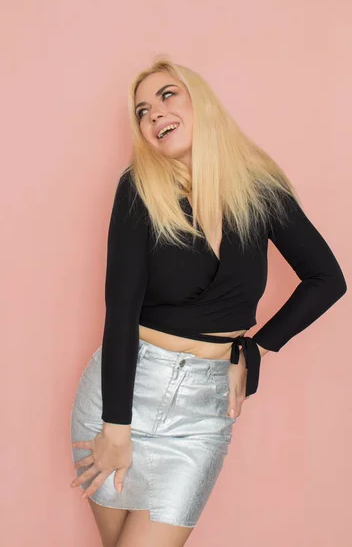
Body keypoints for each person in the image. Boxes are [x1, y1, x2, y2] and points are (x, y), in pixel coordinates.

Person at [70, 57, 347, 546]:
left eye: (167, 95)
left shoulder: (260, 191)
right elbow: (120, 312)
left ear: (200, 102)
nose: (153, 113)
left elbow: (327, 279)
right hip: (123, 395)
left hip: (203, 412)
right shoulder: (139, 189)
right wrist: (115, 425)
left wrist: (254, 349)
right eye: (141, 110)